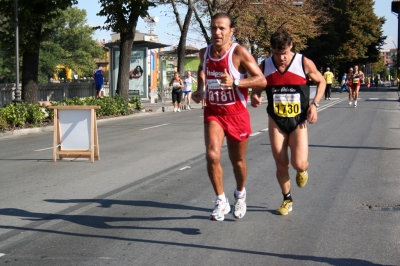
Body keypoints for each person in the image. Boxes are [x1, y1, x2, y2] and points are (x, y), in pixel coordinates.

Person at [191, 12, 267, 221]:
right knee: (212, 155)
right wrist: (200, 89)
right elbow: (201, 70)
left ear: (231, 31)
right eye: (214, 28)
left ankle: (240, 194)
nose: (217, 32)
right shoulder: (203, 53)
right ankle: (221, 200)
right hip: (214, 111)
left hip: (236, 114)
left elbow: (261, 80)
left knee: (238, 161)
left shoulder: (239, 53)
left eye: (222, 28)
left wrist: (235, 82)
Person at [251, 28, 326, 216]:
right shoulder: (265, 65)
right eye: (277, 54)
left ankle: (303, 170)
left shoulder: (303, 62)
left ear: (291, 46)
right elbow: (258, 86)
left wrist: (315, 104)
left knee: (299, 163)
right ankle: (287, 199)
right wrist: (256, 95)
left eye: (284, 53)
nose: (281, 58)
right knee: (281, 163)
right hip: (276, 120)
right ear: (271, 50)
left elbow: (321, 81)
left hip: (298, 120)